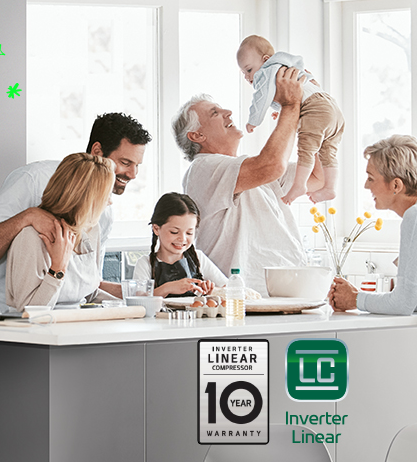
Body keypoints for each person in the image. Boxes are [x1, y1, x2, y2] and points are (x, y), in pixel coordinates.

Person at [0, 113, 151, 313]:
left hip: (37, 317)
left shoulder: (102, 215)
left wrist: (146, 296)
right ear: (97, 151)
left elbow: (86, 284)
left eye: (137, 165)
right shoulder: (34, 179)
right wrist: (28, 216)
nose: (133, 174)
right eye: (125, 163)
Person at [173, 67, 323, 296]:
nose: (228, 112)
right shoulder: (202, 169)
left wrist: (308, 114)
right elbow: (271, 165)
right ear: (197, 136)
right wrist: (290, 106)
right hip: (245, 301)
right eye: (215, 113)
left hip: (287, 296)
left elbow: (316, 178)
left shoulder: (254, 172)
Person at [237, 35, 344, 205]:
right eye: (243, 73)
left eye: (249, 70)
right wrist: (281, 111)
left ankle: (299, 185)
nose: (247, 77)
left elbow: (261, 98)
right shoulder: (288, 67)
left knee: (306, 148)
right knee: (328, 150)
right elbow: (301, 92)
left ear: (265, 60)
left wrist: (254, 120)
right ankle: (330, 188)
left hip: (315, 108)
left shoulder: (266, 71)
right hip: (331, 107)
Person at [6, 153, 115, 310]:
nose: (110, 202)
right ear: (87, 200)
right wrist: (58, 267)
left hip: (77, 328)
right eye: (106, 195)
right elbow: (28, 312)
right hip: (41, 331)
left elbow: (89, 294)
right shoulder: (31, 238)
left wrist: (134, 303)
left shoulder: (90, 231)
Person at [329, 135, 417, 315]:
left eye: (371, 178)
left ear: (396, 185)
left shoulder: (413, 217)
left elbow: (403, 304)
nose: (365, 186)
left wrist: (354, 299)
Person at [132, 193, 227, 298]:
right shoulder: (145, 264)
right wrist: (167, 288)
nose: (182, 239)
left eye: (189, 233)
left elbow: (229, 288)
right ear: (156, 229)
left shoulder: (198, 258)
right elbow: (139, 300)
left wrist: (210, 290)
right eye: (174, 232)